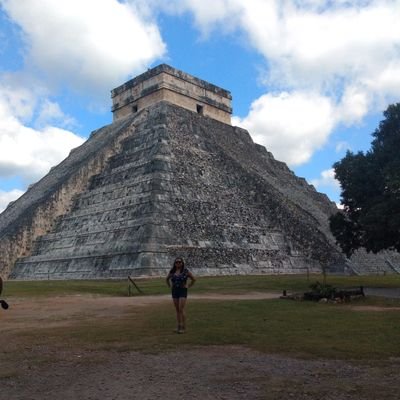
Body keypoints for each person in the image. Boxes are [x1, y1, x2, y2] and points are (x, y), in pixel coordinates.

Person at [166, 257, 196, 334]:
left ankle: (184, 327)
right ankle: (179, 326)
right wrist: (170, 286)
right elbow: (167, 279)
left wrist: (188, 286)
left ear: (182, 263)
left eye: (179, 262)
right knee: (177, 310)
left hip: (183, 291)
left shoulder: (186, 271)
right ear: (174, 263)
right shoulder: (172, 271)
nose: (178, 263)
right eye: (176, 262)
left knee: (181, 309)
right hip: (175, 291)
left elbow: (193, 279)